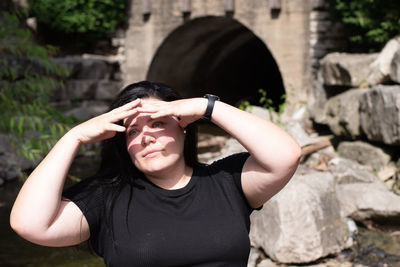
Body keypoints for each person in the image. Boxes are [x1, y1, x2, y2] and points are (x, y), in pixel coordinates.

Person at [10, 81, 301, 266]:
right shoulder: (106, 198)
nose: (146, 137)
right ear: (124, 145)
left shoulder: (225, 181)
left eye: (158, 124)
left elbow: (286, 156)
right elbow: (29, 224)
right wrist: (72, 138)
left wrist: (206, 106)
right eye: (133, 130)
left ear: (184, 126)